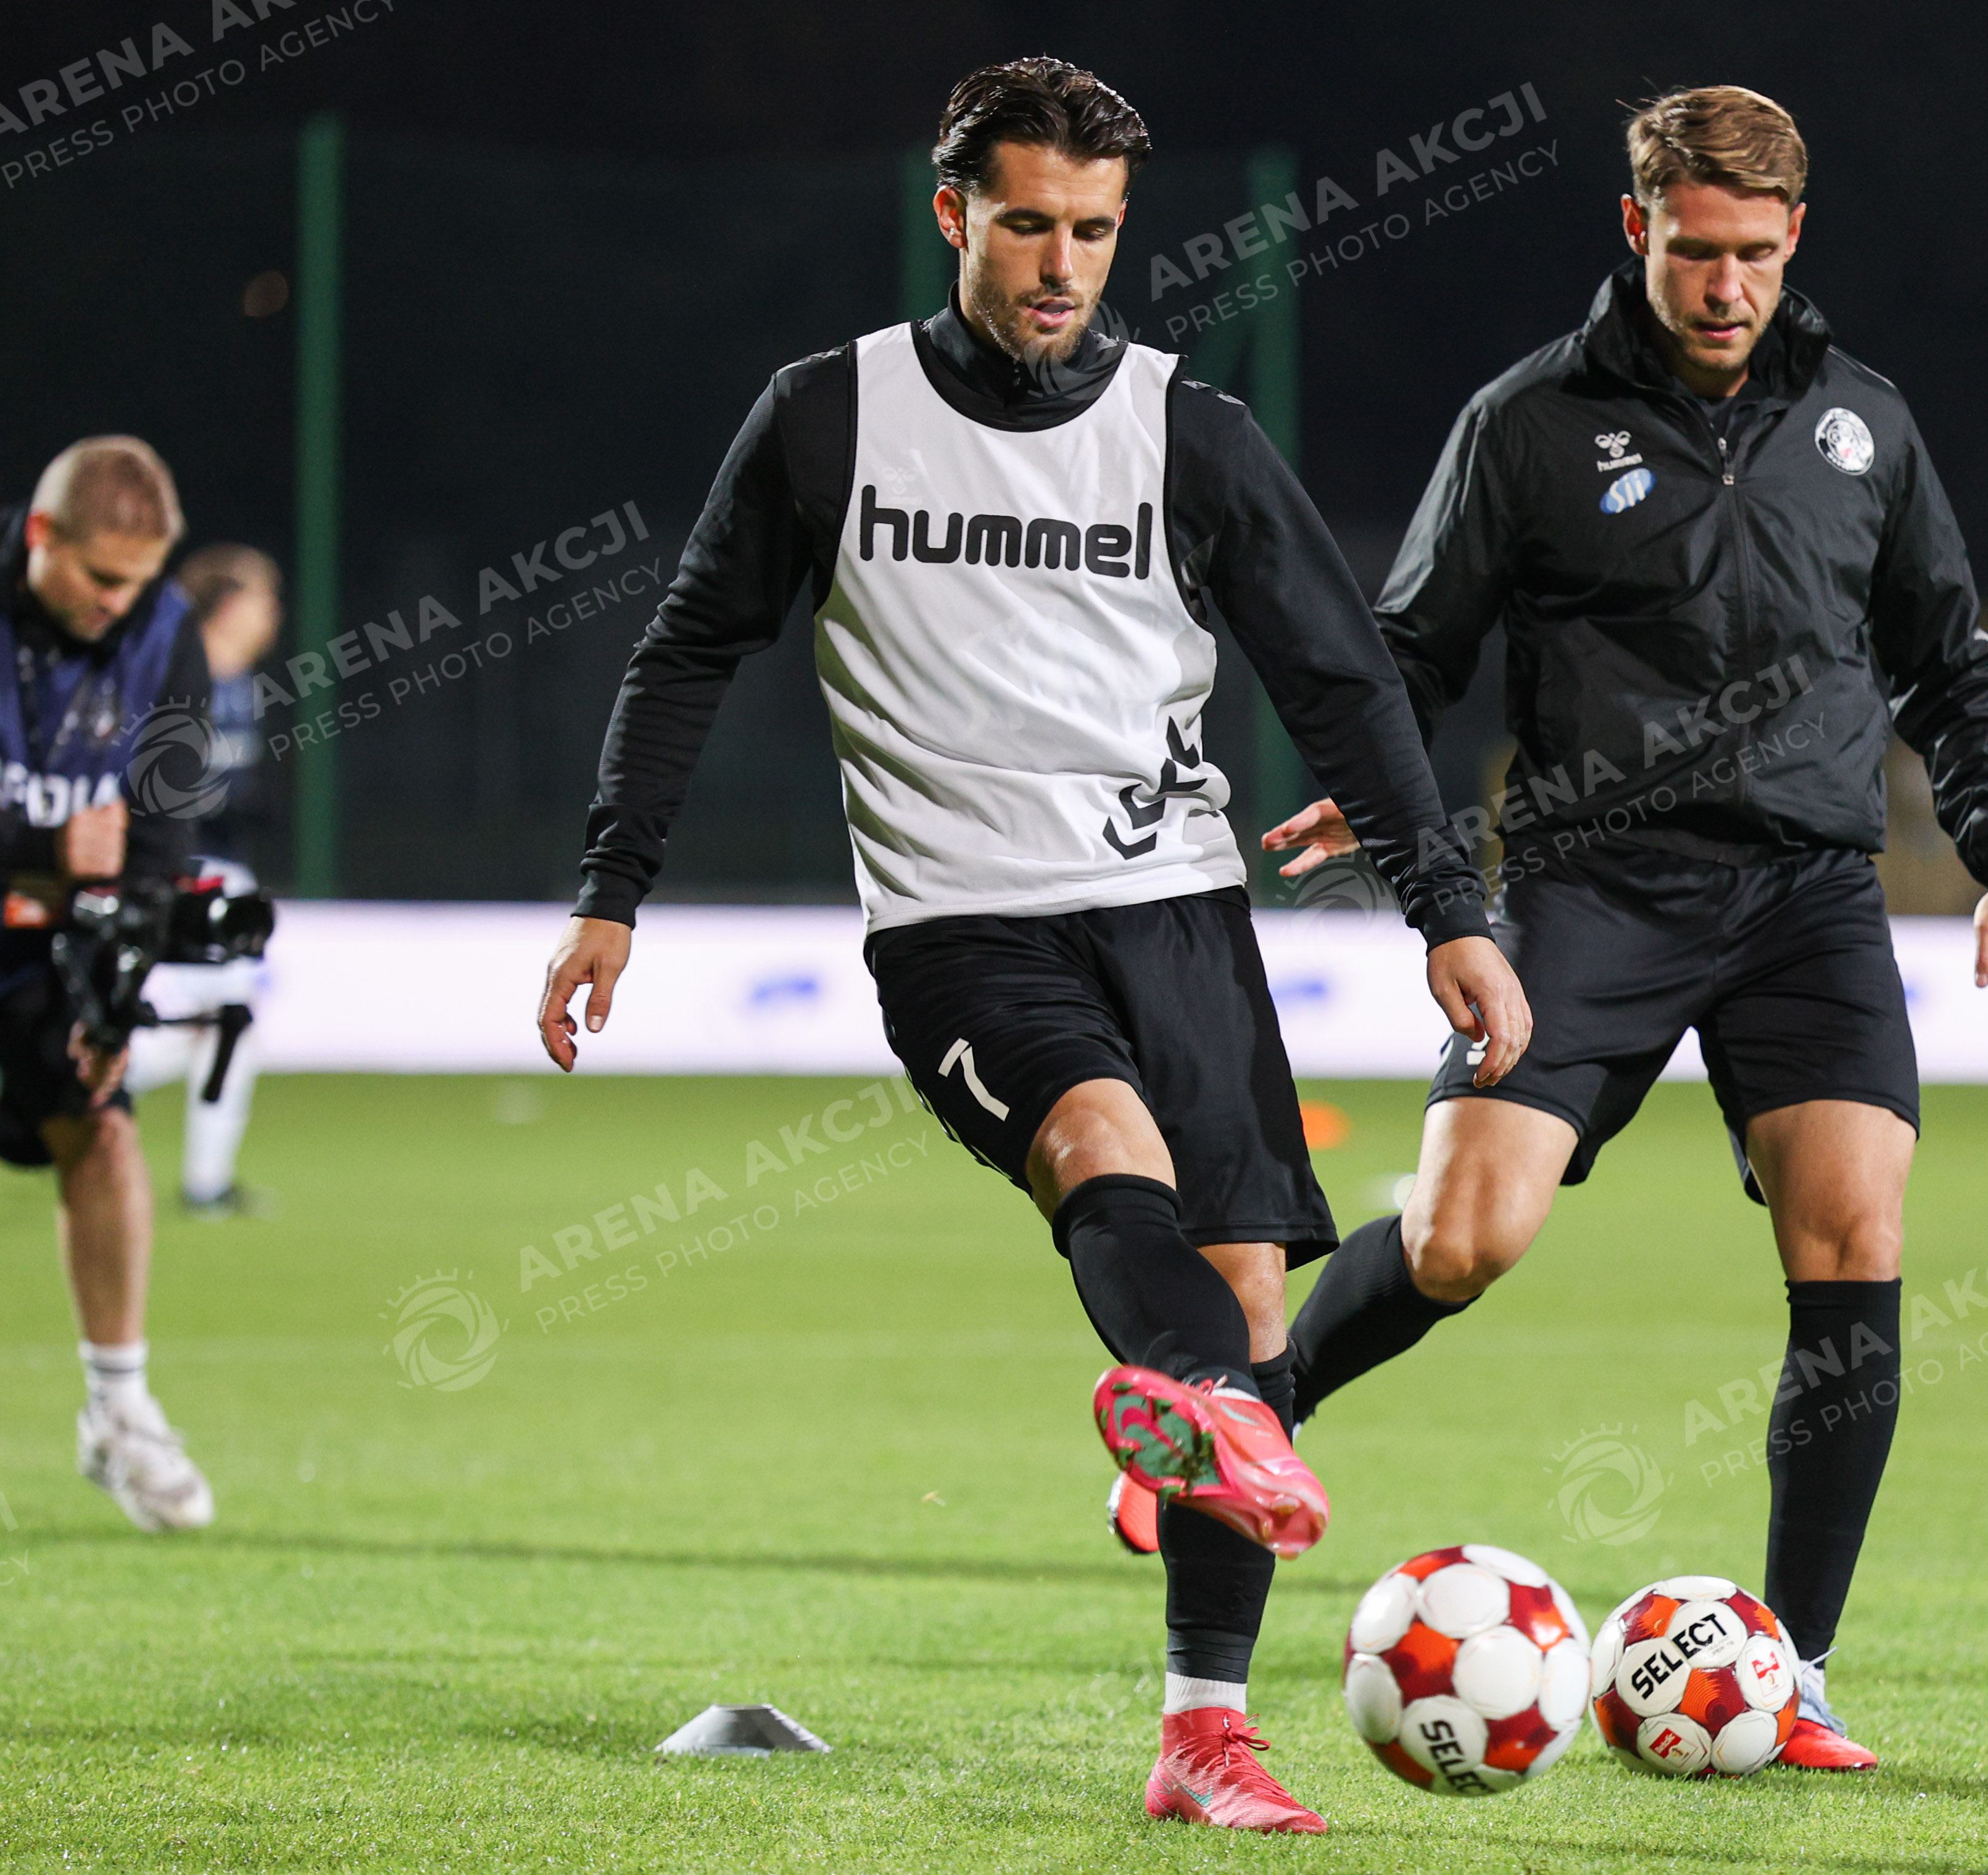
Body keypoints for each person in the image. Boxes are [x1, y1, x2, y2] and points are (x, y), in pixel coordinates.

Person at [534, 57, 1528, 1837]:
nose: (1060, 263)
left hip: (1176, 905)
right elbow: (686, 650)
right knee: (1097, 1148)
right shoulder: (828, 417)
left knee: (1243, 1302)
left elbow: (1338, 681)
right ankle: (1205, 1411)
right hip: (959, 917)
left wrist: (1444, 905)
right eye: (1025, 225)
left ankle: (1203, 1729)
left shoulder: (1187, 430)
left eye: (1091, 229)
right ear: (953, 214)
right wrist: (616, 886)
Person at [1264, 85, 1988, 1771]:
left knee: (1853, 1233)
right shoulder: (1528, 422)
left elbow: (1947, 657)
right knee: (1463, 1236)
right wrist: (1365, 774)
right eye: (1695, 250)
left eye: (1755, 254)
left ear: (1794, 239)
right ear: (1636, 228)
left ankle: (1798, 1670)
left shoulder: (1863, 423)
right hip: (1592, 886)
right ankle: (1254, 1404)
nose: (1725, 285)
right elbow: (1411, 643)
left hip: (1805, 896)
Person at [2, 436, 218, 1531]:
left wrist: (117, 986)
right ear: (42, 535)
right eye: (100, 576)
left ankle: (119, 1409)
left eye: (136, 581)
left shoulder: (165, 630)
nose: (117, 603)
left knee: (104, 1128)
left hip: (45, 941)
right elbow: (76, 837)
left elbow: (161, 835)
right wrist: (42, 842)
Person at [123, 543, 282, 1217]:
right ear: (227, 605)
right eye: (263, 598)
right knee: (218, 1026)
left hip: (221, 874)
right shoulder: (169, 676)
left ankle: (207, 1180)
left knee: (219, 1028)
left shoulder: (243, 684)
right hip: (176, 877)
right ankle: (56, 1090)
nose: (274, 614)